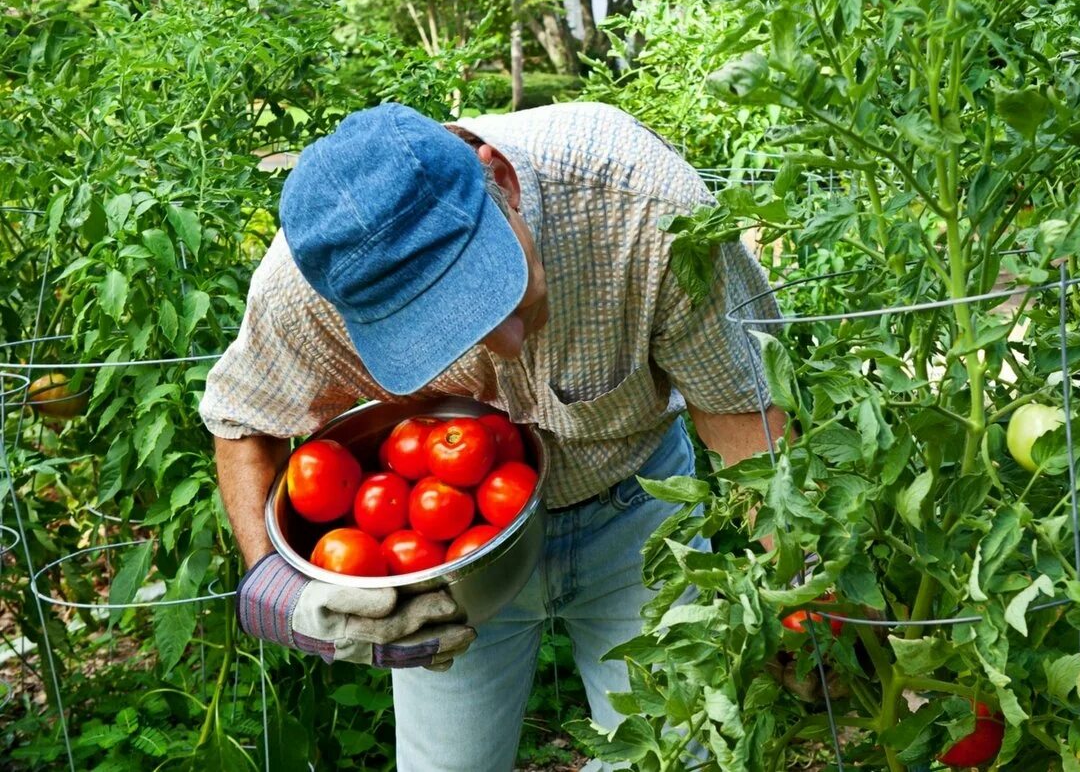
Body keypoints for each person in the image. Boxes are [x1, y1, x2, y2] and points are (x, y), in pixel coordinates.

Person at [200, 101, 784, 771]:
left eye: (497, 292)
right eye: (442, 329)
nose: (503, 345)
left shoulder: (645, 207)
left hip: (638, 515)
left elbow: (743, 411)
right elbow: (244, 420)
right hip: (444, 567)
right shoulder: (306, 287)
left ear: (498, 179)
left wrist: (796, 584)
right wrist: (275, 587)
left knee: (675, 755)